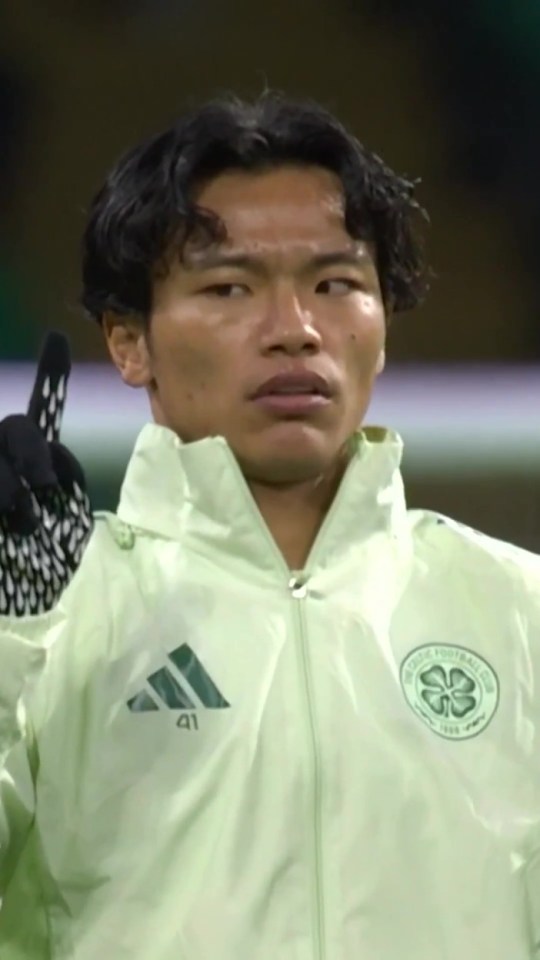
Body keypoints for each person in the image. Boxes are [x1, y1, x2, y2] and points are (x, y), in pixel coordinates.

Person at [0, 91, 539, 960]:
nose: (296, 330)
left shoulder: (518, 612)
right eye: (228, 287)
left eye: (336, 285)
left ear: (383, 322)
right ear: (128, 341)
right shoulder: (47, 618)